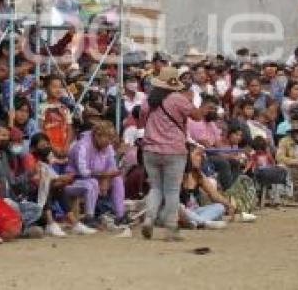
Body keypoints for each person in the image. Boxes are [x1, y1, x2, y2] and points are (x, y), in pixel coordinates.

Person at [137, 66, 195, 241]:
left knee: (156, 188)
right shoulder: (178, 99)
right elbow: (196, 115)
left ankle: (149, 219)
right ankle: (171, 228)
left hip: (150, 149)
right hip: (174, 151)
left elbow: (141, 120)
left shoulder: (149, 100)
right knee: (171, 190)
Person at [0, 120, 44, 238]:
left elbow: (12, 181)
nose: (7, 139)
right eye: (3, 135)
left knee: (37, 209)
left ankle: (15, 228)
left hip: (11, 200)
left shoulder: (3, 154)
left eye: (8, 136)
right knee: (12, 206)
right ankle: (17, 229)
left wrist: (30, 174)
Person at [66, 121, 126, 226]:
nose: (109, 142)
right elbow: (83, 172)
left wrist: (106, 179)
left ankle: (120, 215)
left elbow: (112, 167)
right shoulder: (82, 146)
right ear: (97, 136)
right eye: (107, 138)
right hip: (74, 181)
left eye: (111, 138)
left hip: (98, 177)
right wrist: (104, 176)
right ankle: (89, 217)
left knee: (117, 179)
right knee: (91, 183)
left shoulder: (107, 147)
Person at [178, 146, 232, 230]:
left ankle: (195, 222)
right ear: (187, 156)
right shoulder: (177, 174)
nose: (200, 158)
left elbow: (214, 195)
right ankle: (204, 222)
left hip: (195, 211)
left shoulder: (199, 175)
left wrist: (229, 205)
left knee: (219, 207)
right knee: (179, 208)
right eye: (197, 155)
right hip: (177, 212)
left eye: (201, 156)